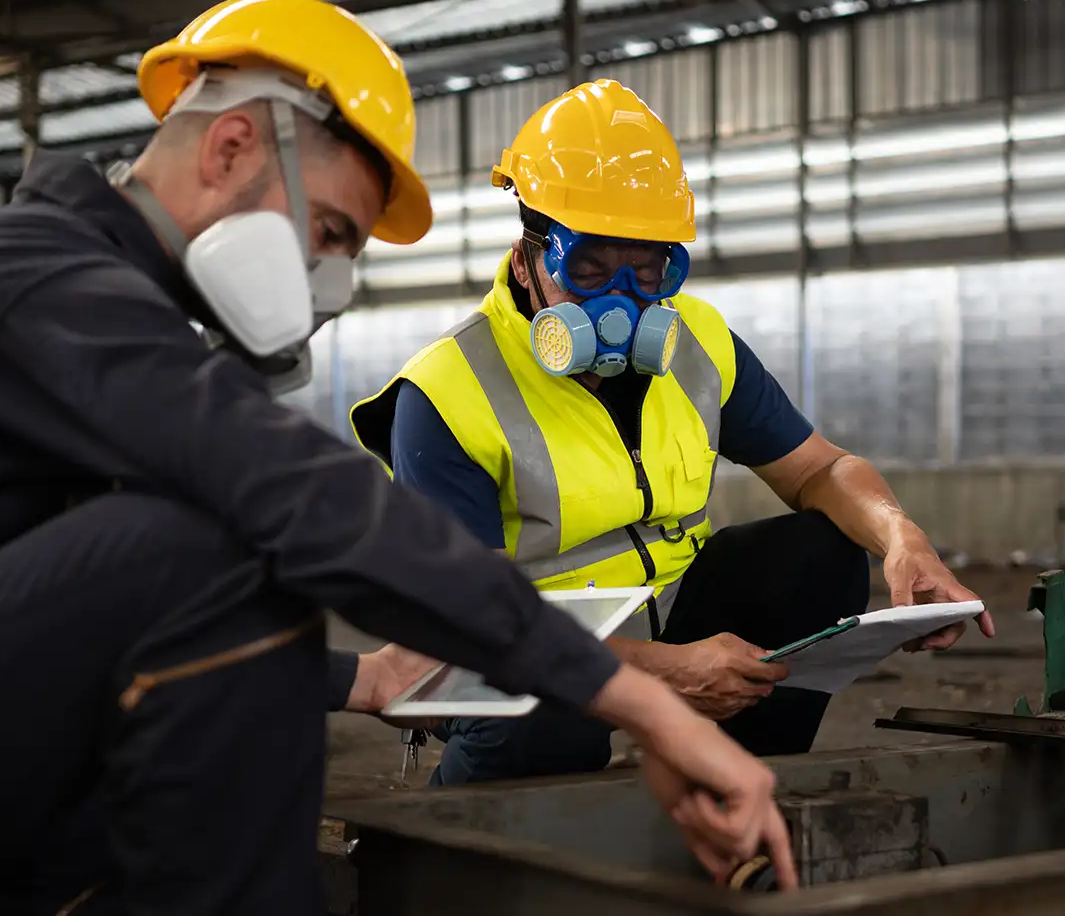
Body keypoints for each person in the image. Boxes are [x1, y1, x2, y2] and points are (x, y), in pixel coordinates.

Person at [0, 0, 796, 916]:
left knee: (208, 578)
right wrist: (642, 700)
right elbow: (280, 488)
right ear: (233, 145)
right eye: (330, 231)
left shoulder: (78, 313)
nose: (327, 279)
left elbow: (50, 595)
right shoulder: (36, 283)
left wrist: (362, 679)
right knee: (223, 536)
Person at [341, 80, 996, 787]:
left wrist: (901, 537)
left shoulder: (698, 343)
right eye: (587, 268)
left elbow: (819, 471)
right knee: (539, 703)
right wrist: (670, 672)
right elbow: (481, 627)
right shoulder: (447, 392)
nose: (619, 301)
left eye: (646, 270)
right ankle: (458, 841)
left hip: (679, 612)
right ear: (529, 259)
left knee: (822, 551)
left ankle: (740, 793)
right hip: (525, 645)